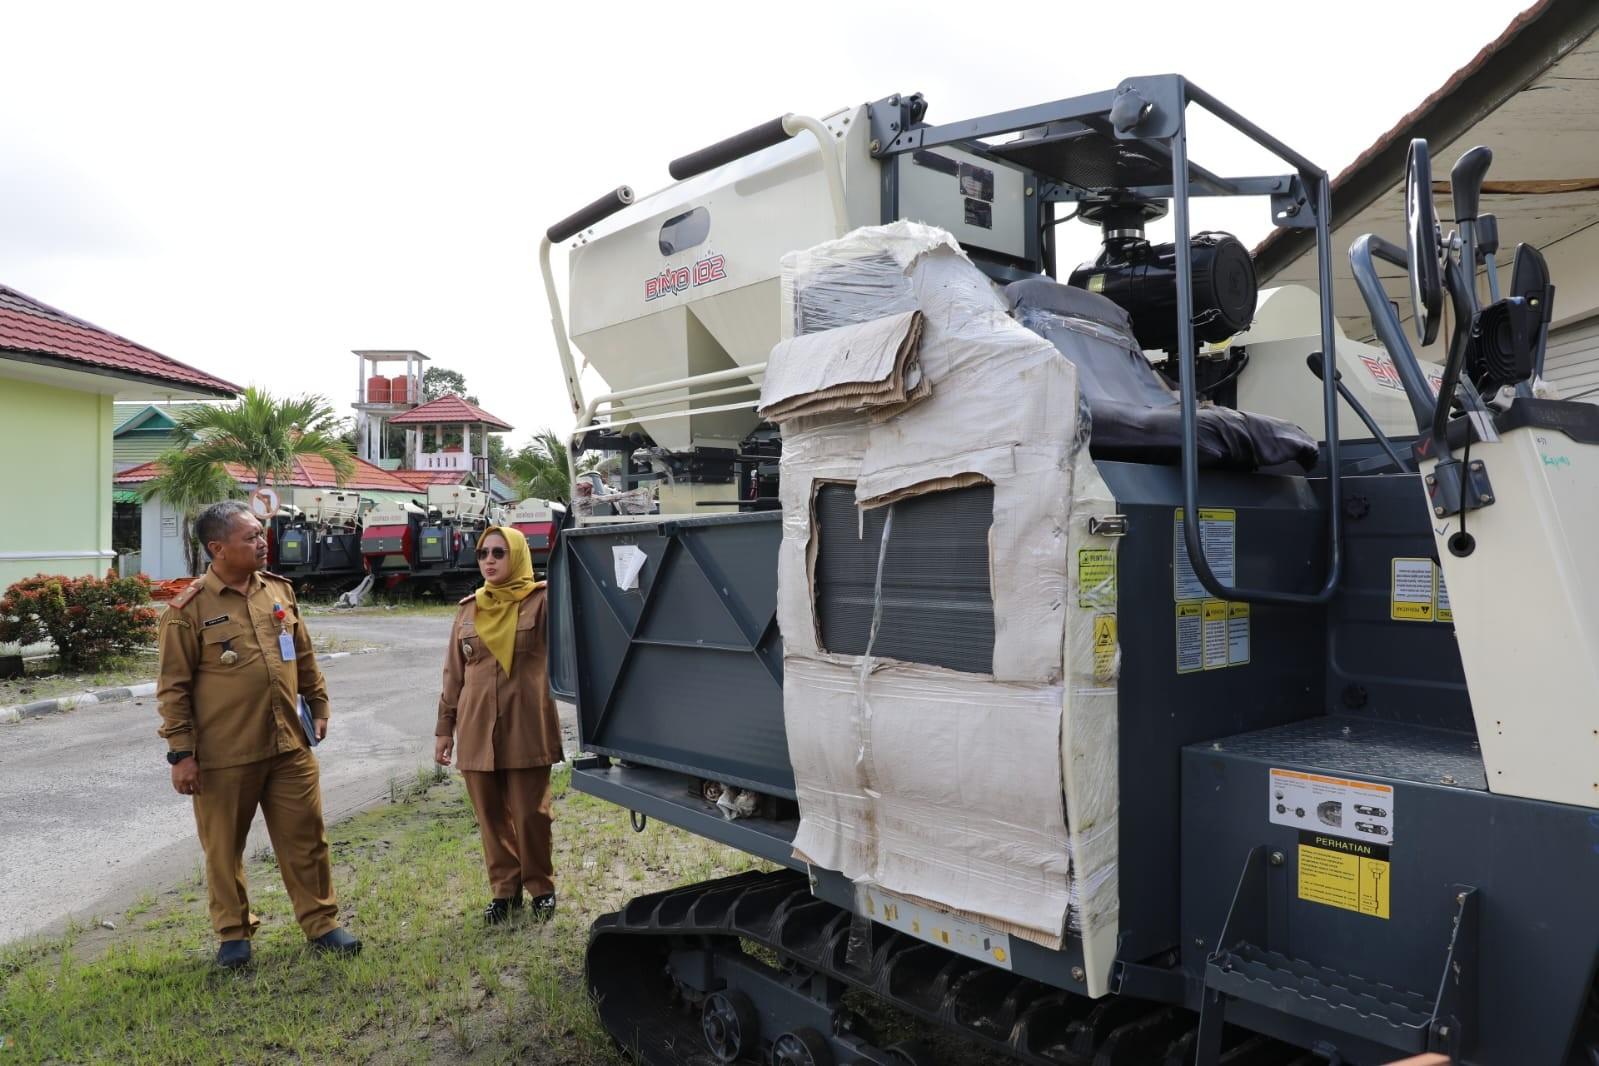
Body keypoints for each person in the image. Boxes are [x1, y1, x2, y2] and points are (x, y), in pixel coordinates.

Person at [156, 500, 361, 969]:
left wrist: (320, 702)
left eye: (260, 533)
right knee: (224, 849)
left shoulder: (278, 591)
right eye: (250, 536)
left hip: (289, 743)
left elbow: (303, 654)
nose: (261, 541)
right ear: (217, 548)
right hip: (224, 754)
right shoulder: (188, 610)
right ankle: (233, 935)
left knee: (307, 839)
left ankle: (322, 923)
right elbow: (173, 689)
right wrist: (181, 754)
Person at [435, 525, 563, 925]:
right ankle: (505, 892)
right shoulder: (469, 609)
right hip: (475, 727)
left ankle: (540, 886)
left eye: (498, 553)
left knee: (530, 813)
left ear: (518, 556)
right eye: (482, 554)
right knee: (489, 815)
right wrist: (444, 729)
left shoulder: (542, 602)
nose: (488, 560)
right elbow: (453, 674)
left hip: (526, 722)